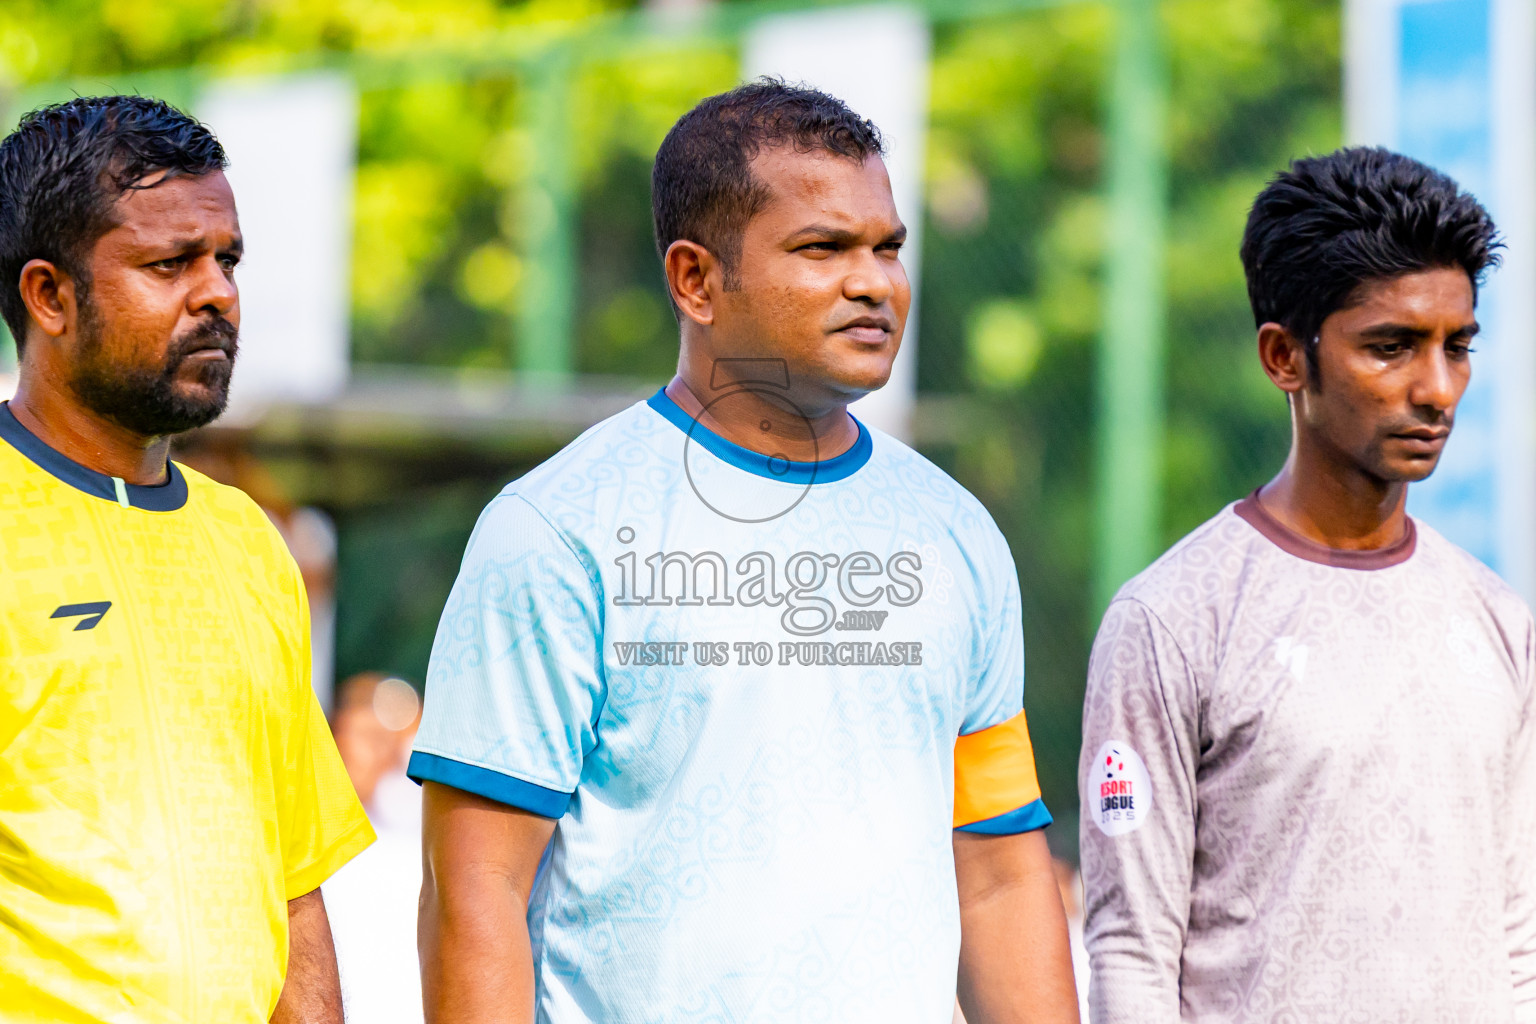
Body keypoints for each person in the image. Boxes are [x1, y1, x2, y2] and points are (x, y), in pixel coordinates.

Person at [412, 80, 1079, 1023]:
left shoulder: (955, 532)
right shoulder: (560, 529)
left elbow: (1000, 870)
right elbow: (473, 893)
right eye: (824, 247)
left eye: (888, 246)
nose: (875, 282)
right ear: (696, 280)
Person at [1078, 146, 1532, 1021]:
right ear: (1285, 356)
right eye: (1391, 347)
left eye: (1457, 346)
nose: (1437, 389)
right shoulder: (1172, 619)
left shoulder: (1496, 620)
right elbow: (1131, 950)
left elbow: (1521, 936)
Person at [0, 96, 374, 1023]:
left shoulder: (251, 542)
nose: (217, 293)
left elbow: (292, 883)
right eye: (170, 263)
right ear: (49, 295)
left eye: (228, 259)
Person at [325, 673, 426, 1024]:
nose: (360, 751)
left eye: (379, 740)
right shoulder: (318, 831)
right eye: (359, 736)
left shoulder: (414, 828)